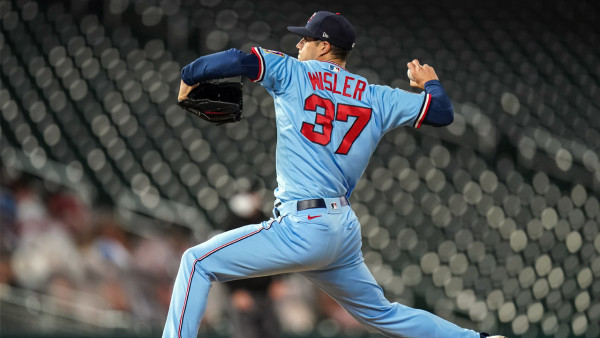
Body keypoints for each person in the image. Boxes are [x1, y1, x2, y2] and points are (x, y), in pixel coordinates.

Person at [163, 11, 505, 338]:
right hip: (341, 232)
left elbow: (237, 60)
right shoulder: (377, 97)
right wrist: (431, 84)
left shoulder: (293, 73)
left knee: (195, 262)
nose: (298, 46)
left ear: (324, 46)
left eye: (305, 39)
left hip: (302, 226)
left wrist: (189, 75)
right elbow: (442, 112)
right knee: (382, 313)